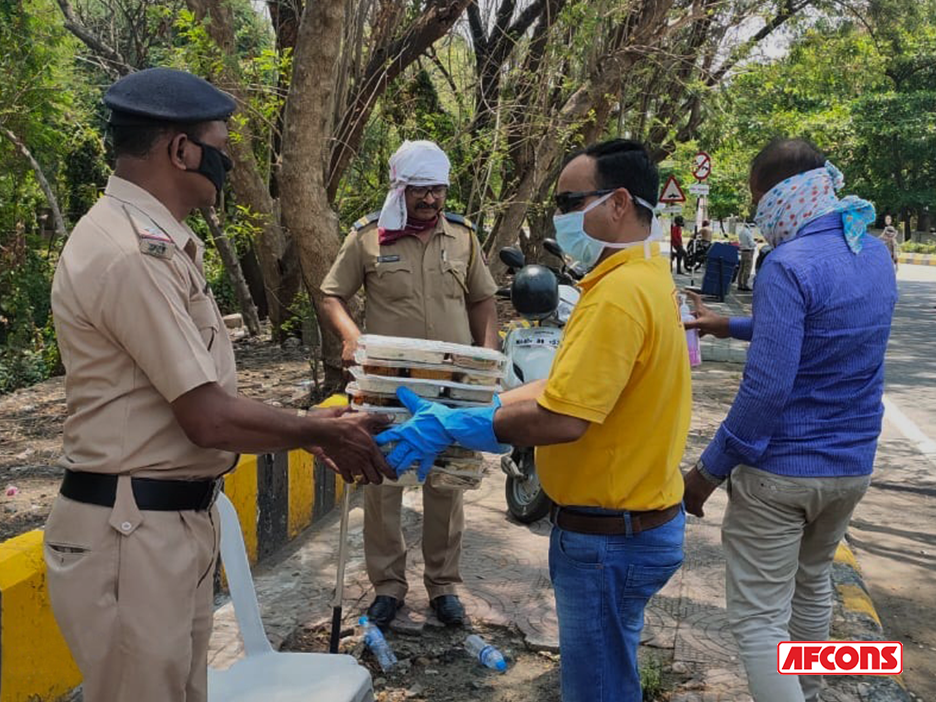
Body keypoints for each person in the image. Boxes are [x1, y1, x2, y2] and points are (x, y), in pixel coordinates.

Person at [45, 68, 393, 702]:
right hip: (131, 532)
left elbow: (205, 401)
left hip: (162, 524)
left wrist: (310, 429)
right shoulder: (130, 254)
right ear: (182, 149)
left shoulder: (160, 245)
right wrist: (319, 429)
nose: (227, 163)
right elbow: (207, 417)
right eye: (222, 147)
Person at [374, 139, 692, 702]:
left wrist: (455, 426)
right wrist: (486, 407)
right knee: (613, 676)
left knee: (596, 690)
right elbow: (571, 387)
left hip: (608, 539)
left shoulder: (617, 295)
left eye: (571, 202)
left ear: (618, 202)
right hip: (635, 524)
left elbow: (564, 419)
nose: (560, 216)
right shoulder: (645, 274)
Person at [682, 138, 897, 702]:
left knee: (759, 622)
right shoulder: (872, 252)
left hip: (780, 474)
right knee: (812, 585)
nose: (758, 215)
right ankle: (807, 690)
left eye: (758, 200)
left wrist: (709, 471)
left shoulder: (788, 263)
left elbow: (767, 390)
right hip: (851, 468)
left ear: (778, 194)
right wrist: (727, 326)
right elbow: (825, 327)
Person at [319, 140, 499, 629]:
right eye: (421, 190)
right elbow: (332, 294)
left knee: (448, 480)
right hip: (387, 386)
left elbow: (484, 300)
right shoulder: (369, 238)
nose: (431, 200)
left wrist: (488, 358)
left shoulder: (463, 238)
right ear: (401, 188)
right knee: (382, 482)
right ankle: (388, 587)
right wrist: (351, 337)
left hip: (450, 386)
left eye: (438, 189)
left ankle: (443, 586)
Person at [737, 220, 757, 291]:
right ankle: (744, 285)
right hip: (748, 252)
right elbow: (751, 243)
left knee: (741, 269)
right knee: (747, 269)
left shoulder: (741, 232)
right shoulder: (748, 233)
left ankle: (739, 284)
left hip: (743, 251)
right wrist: (756, 243)